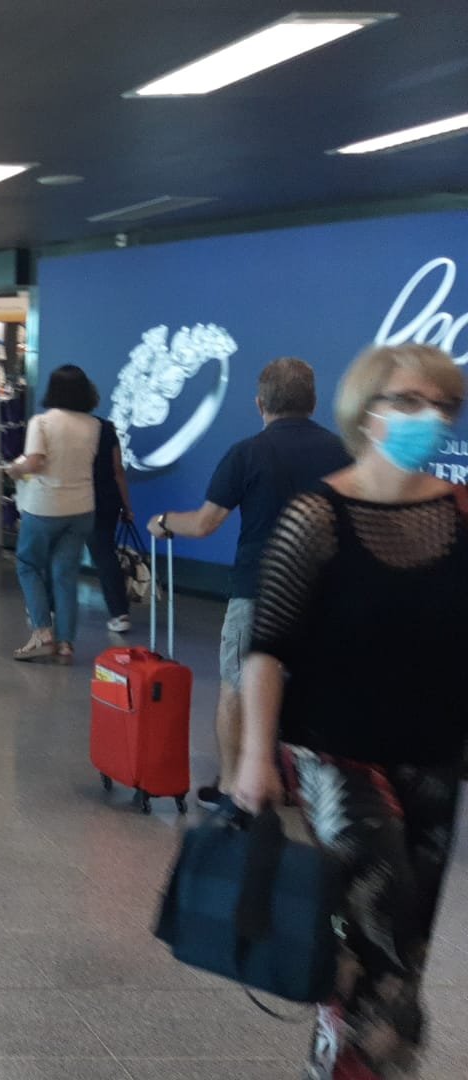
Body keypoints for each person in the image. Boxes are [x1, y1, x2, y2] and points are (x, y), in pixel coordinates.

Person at [231, 343, 465, 1080]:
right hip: (338, 759)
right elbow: (267, 648)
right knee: (380, 933)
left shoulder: (460, 517)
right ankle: (362, 1061)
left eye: (444, 405)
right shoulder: (317, 518)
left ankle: (358, 1055)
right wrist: (252, 758)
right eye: (409, 401)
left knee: (408, 949)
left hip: (433, 756)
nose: (430, 417)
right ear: (365, 412)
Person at [151, 356, 351, 806]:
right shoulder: (343, 452)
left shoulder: (248, 453)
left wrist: (163, 521)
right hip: (324, 596)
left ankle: (230, 786)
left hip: (257, 590)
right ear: (313, 402)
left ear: (260, 403)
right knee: (311, 691)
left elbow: (205, 523)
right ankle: (306, 788)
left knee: (237, 687)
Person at [5, 365, 101, 663]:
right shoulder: (92, 424)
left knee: (28, 565)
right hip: (82, 508)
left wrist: (13, 469)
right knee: (65, 575)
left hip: (45, 507)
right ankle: (66, 644)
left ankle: (43, 633)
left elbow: (34, 462)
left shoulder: (42, 422)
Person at [85, 413, 135, 631]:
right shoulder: (105, 427)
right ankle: (119, 613)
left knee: (57, 550)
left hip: (73, 497)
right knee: (105, 553)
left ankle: (48, 607)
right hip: (107, 498)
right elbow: (118, 470)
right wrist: (127, 505)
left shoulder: (56, 425)